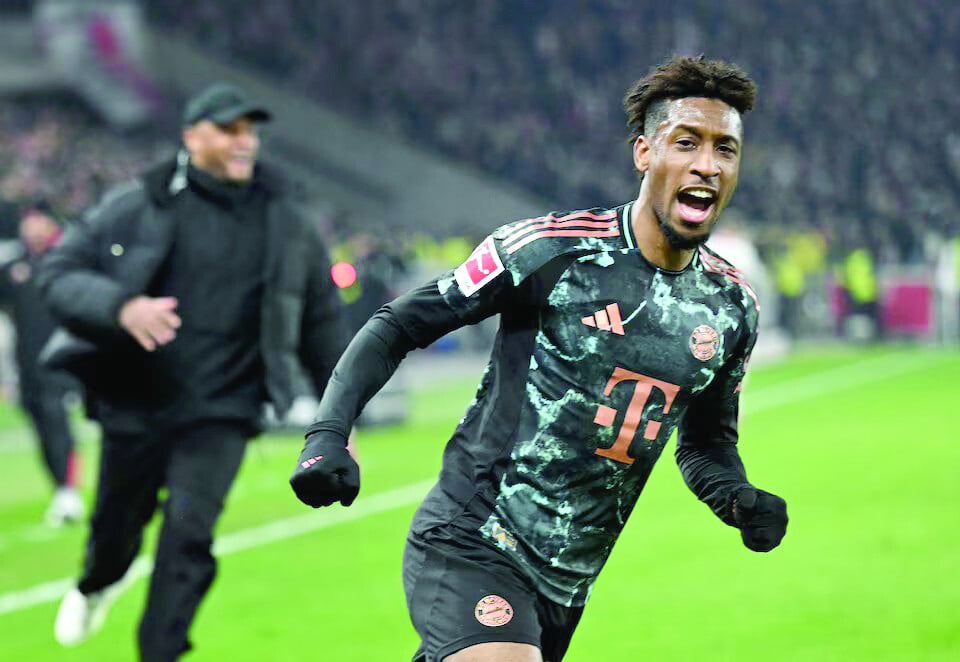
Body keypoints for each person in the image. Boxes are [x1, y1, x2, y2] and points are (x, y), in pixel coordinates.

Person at [290, 55, 789, 661]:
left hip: (569, 582)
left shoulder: (730, 306)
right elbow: (400, 323)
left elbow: (706, 442)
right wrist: (328, 432)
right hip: (474, 536)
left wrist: (736, 497)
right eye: (687, 143)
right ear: (644, 153)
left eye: (725, 150)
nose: (707, 165)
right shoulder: (550, 251)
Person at [37, 82, 347, 661]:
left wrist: (340, 413)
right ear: (191, 136)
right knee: (115, 533)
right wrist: (120, 307)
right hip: (137, 400)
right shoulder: (138, 203)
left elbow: (322, 321)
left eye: (250, 131)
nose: (243, 142)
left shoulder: (288, 218)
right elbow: (59, 271)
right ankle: (99, 581)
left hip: (224, 411)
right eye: (228, 129)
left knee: (189, 533)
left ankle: (160, 652)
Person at [0, 202, 83, 526]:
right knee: (40, 425)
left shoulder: (68, 259)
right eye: (28, 222)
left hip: (63, 359)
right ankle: (61, 488)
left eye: (38, 221)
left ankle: (69, 489)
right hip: (27, 363)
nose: (32, 228)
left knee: (58, 420)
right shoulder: (14, 267)